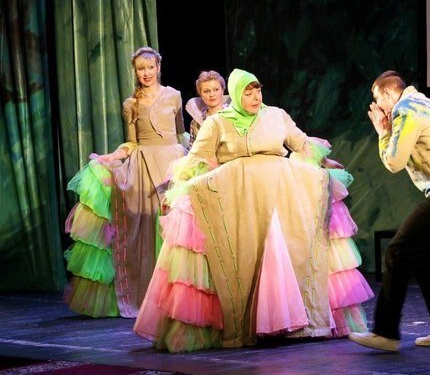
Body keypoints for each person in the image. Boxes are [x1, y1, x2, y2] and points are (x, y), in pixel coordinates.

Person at [133, 68, 374, 352]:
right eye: (247, 92)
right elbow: (198, 157)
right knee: (245, 256)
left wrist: (326, 162)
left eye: (257, 90)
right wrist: (180, 185)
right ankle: (244, 324)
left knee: (284, 247)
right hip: (239, 196)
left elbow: (301, 143)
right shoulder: (219, 122)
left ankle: (300, 322)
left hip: (280, 194)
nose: (255, 97)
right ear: (236, 95)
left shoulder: (276, 115)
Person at [348, 70, 430, 352]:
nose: (378, 107)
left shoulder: (406, 110)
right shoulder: (424, 102)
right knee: (421, 259)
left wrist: (383, 133)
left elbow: (394, 162)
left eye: (377, 99)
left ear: (387, 93)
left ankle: (386, 333)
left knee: (397, 253)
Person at [63, 46, 186, 318]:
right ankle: (149, 296)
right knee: (145, 231)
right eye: (141, 69)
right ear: (136, 71)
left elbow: (180, 134)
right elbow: (132, 143)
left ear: (158, 68)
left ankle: (177, 298)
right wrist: (111, 157)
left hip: (171, 164)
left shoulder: (174, 95)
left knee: (175, 226)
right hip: (143, 167)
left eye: (150, 67)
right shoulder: (131, 104)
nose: (146, 73)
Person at [186, 70, 231, 148]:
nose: (212, 94)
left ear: (223, 90)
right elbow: (192, 149)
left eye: (216, 89)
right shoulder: (196, 123)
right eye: (206, 91)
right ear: (200, 94)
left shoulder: (233, 115)